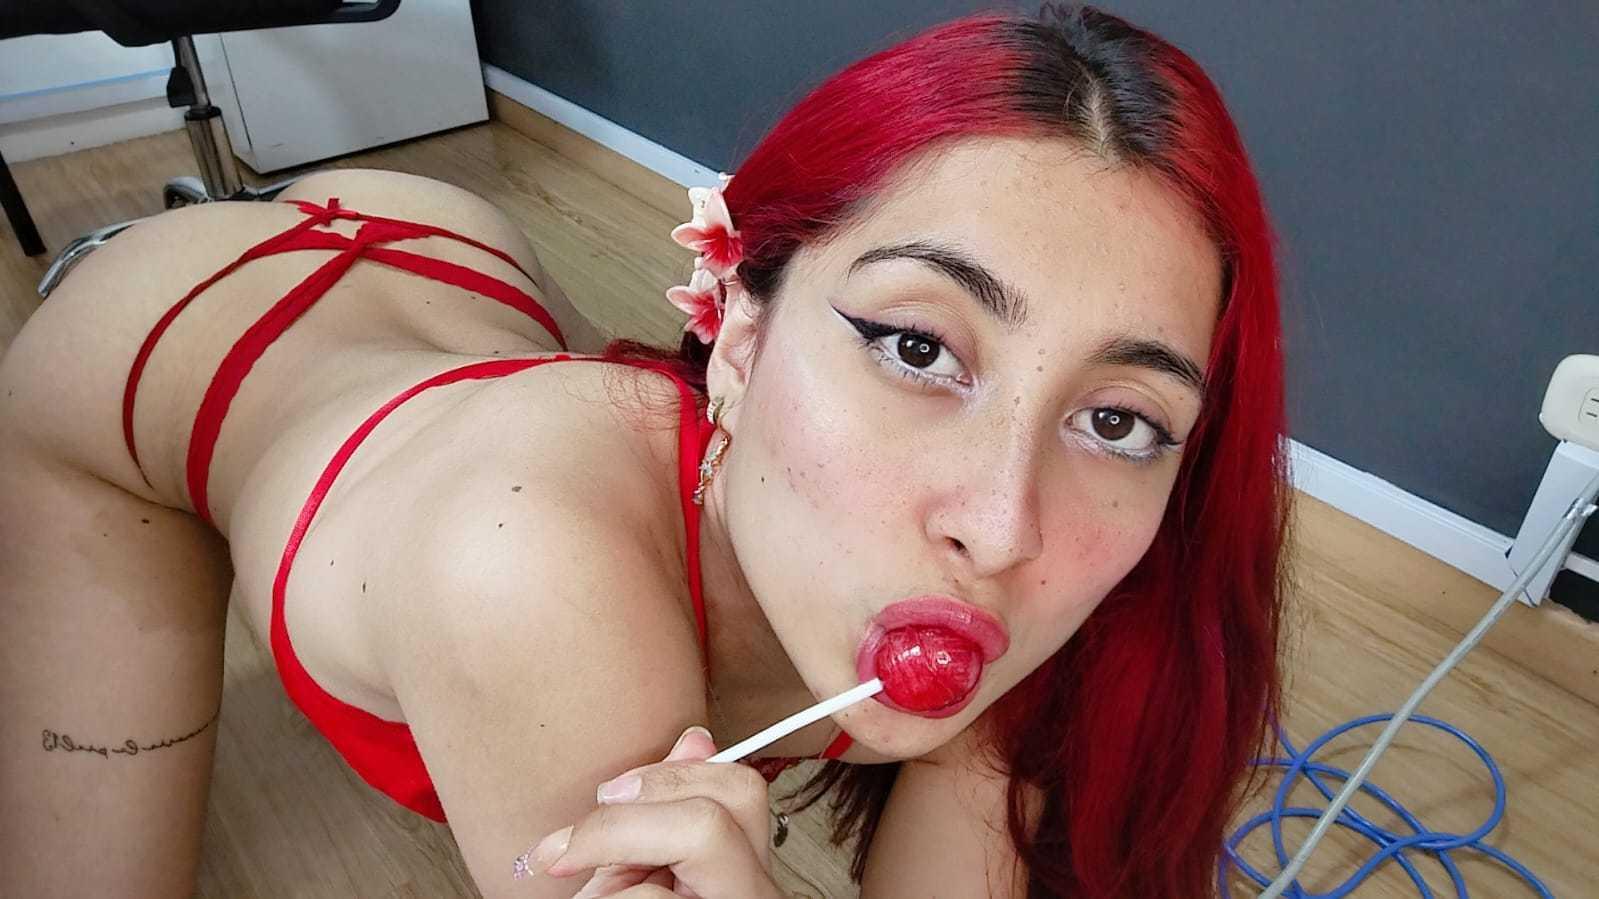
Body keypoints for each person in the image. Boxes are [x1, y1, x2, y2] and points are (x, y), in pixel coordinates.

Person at [0, 4, 1289, 897]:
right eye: (916, 346)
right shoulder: (524, 571)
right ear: (736, 326)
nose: (1002, 529)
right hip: (167, 347)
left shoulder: (1036, 562)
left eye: (1116, 419)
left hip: (452, 257)